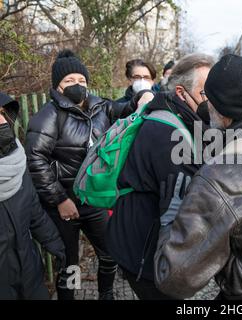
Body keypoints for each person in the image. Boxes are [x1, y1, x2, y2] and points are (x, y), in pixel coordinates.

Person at [153, 54, 242, 300]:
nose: (205, 105)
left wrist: (169, 218)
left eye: (208, 97)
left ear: (222, 107)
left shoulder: (219, 179)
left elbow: (172, 277)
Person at [25, 49, 153, 300]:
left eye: (81, 80)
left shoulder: (100, 107)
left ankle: (106, 294)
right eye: (69, 81)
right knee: (70, 264)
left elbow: (126, 110)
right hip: (65, 205)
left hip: (92, 200)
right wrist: (60, 200)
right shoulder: (48, 116)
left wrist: (143, 94)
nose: (77, 85)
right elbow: (35, 159)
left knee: (110, 253)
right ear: (57, 86)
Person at [106, 53, 215, 300]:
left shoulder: (179, 115)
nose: (213, 101)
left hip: (137, 237)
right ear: (180, 92)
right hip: (143, 253)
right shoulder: (167, 132)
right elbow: (186, 207)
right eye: (206, 94)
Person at [0, 93, 65, 300]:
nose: (2, 121)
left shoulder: (16, 161)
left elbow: (34, 210)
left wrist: (55, 244)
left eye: (2, 113)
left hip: (30, 274)